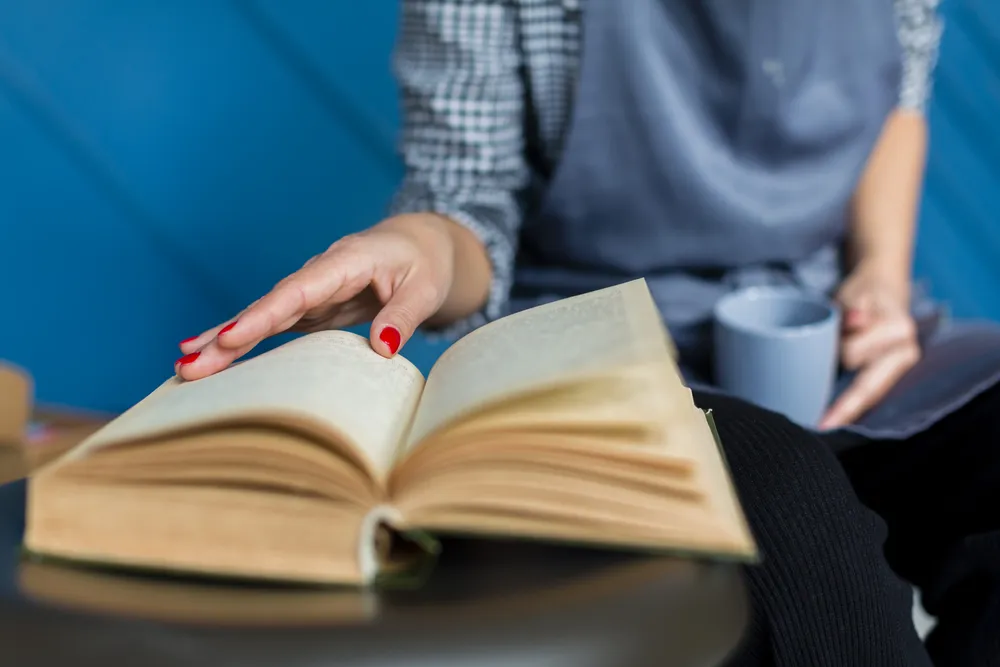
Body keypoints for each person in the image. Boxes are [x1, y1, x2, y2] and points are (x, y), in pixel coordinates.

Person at [175, 1, 1000, 664]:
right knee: (783, 500)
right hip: (601, 352)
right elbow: (470, 204)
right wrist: (420, 245)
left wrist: (880, 278)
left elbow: (901, 91)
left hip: (827, 337)